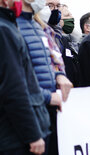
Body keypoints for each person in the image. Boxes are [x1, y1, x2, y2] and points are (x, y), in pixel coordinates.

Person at [17, 0, 73, 154]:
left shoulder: (38, 26)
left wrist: (58, 75)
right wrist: (47, 97)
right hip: (26, 114)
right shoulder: (11, 26)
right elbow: (13, 79)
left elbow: (48, 61)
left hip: (46, 112)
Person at [0, 0, 48, 154]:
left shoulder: (8, 26)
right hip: (15, 137)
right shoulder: (4, 30)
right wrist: (33, 135)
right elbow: (14, 88)